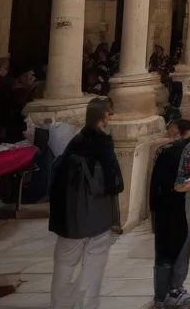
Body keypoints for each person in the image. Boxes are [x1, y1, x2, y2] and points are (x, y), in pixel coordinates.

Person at [48, 98, 123, 309]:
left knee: (64, 268)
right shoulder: (103, 143)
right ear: (103, 116)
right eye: (108, 114)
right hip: (95, 216)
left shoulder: (75, 141)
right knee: (92, 270)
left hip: (69, 219)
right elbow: (115, 182)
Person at [149, 119, 190, 309]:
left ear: (184, 132)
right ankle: (174, 290)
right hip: (179, 209)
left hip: (167, 209)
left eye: (173, 131)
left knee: (165, 252)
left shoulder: (166, 151)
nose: (170, 134)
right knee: (179, 250)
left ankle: (161, 297)